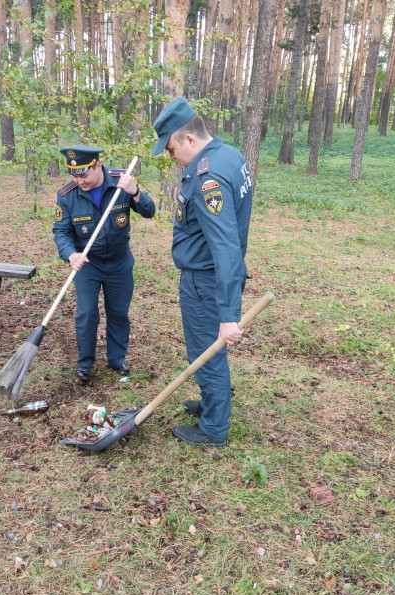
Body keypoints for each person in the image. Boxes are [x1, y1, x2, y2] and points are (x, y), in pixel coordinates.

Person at [152, 97, 254, 448]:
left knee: (204, 351)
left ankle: (213, 429)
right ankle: (213, 404)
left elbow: (225, 246)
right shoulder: (231, 155)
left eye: (170, 150)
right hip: (213, 276)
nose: (171, 158)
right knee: (207, 351)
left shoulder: (207, 175)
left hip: (205, 280)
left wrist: (228, 314)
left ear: (189, 140)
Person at [52, 145, 156, 382]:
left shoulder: (121, 181)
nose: (79, 181)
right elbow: (61, 231)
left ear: (98, 166)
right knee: (87, 313)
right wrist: (71, 254)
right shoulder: (67, 195)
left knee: (118, 312)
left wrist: (135, 192)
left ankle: (116, 359)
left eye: (84, 175)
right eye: (74, 176)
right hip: (87, 264)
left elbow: (149, 211)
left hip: (119, 262)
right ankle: (85, 363)